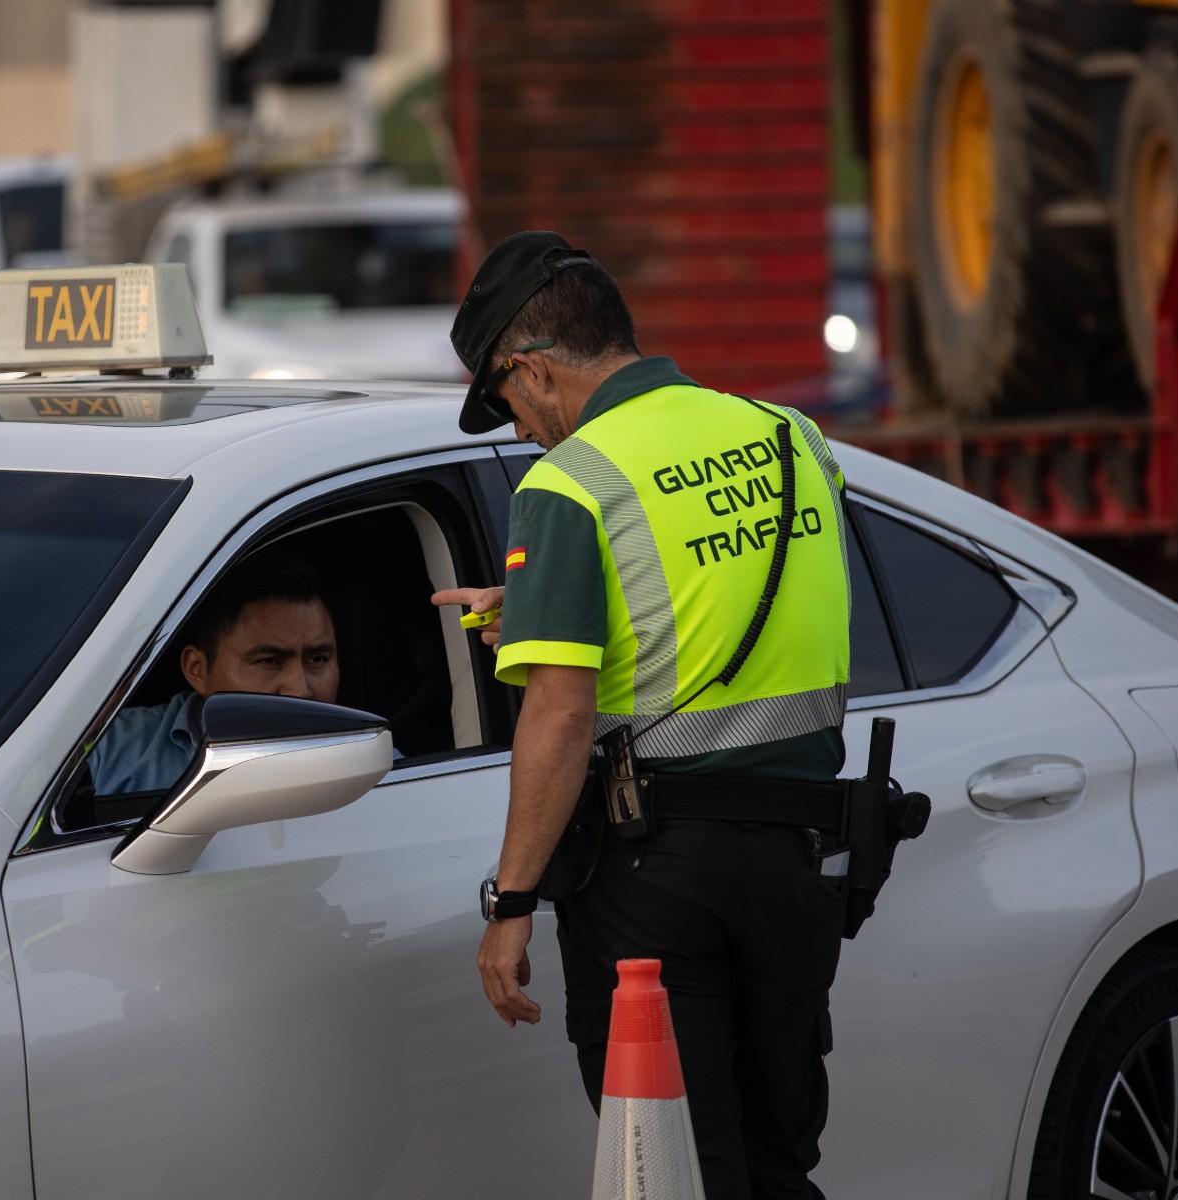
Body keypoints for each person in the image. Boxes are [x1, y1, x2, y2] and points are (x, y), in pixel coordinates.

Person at [434, 231, 853, 1199]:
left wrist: (510, 904)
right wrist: (544, 613)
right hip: (801, 864)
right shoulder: (793, 438)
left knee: (675, 1176)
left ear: (531, 370)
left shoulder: (572, 482)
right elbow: (730, 593)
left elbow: (560, 717)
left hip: (659, 880)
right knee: (778, 1167)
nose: (520, 432)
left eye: (505, 406)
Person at [89, 553, 339, 795]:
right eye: (269, 661)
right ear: (197, 669)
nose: (300, 690)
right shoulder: (110, 748)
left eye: (317, 659)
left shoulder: (367, 757)